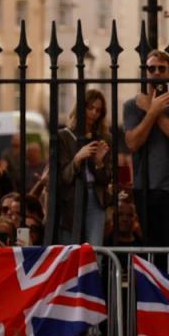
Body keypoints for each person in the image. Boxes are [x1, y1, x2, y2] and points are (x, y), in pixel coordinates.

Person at [123, 49, 169, 249]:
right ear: (145, 72)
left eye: (161, 68)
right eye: (151, 68)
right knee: (150, 246)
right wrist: (152, 112)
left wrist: (153, 111)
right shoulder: (132, 105)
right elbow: (132, 143)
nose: (156, 72)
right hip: (145, 185)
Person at [56, 89, 113, 246]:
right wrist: (77, 159)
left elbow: (106, 178)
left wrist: (99, 163)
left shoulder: (104, 137)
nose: (94, 113)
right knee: (71, 251)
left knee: (95, 251)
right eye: (90, 108)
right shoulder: (64, 136)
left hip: (95, 197)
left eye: (98, 110)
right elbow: (61, 176)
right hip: (72, 199)